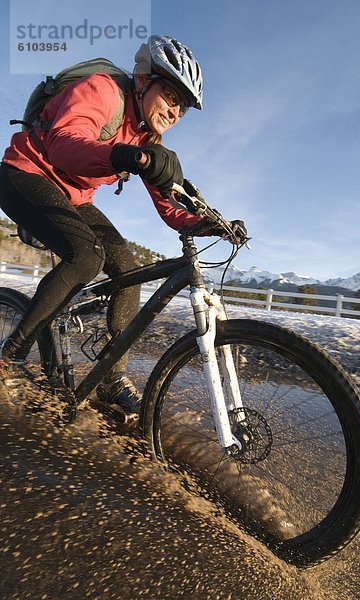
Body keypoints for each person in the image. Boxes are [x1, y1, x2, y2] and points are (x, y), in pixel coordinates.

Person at [0, 35, 207, 414]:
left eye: (184, 108)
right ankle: (8, 357)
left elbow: (169, 203)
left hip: (73, 197)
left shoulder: (148, 136)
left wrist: (204, 223)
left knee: (129, 271)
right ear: (144, 78)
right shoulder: (103, 90)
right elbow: (64, 143)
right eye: (172, 97)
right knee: (85, 257)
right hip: (26, 172)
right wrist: (130, 156)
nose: (176, 112)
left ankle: (111, 381)